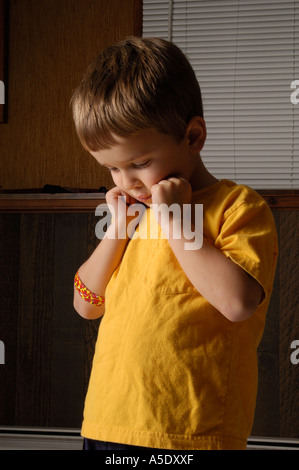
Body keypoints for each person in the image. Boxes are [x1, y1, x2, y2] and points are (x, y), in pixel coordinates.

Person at [70, 37, 278, 451]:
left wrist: (174, 219)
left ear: (193, 136)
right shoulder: (133, 216)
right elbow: (86, 303)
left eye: (139, 164)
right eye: (112, 168)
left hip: (190, 432)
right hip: (107, 421)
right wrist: (117, 230)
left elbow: (237, 303)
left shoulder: (238, 207)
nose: (127, 182)